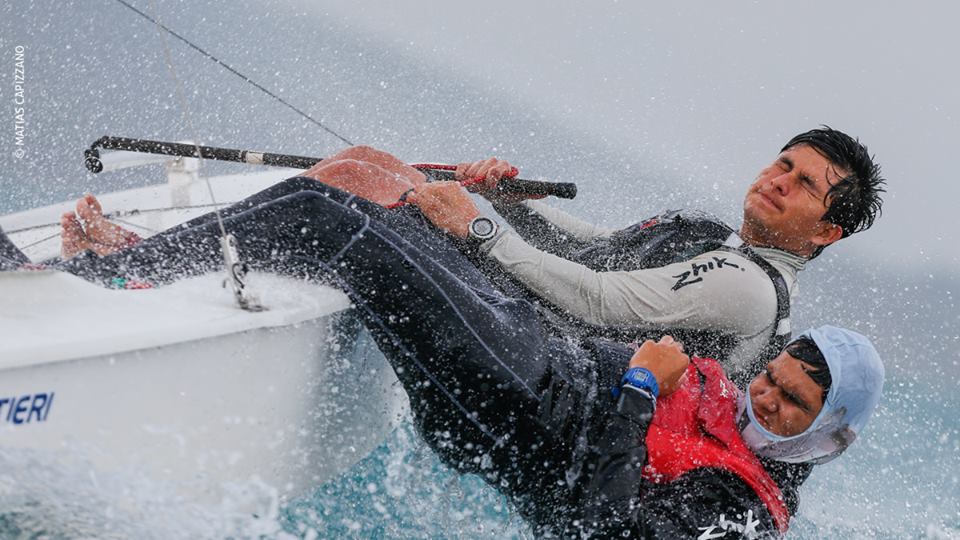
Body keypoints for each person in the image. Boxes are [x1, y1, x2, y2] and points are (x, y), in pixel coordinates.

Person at [5, 182, 881, 537]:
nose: (767, 398)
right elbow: (596, 265)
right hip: (541, 361)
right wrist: (493, 205)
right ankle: (130, 260)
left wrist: (638, 390)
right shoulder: (745, 408)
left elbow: (594, 532)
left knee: (330, 222)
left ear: (828, 436)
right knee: (366, 205)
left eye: (792, 405)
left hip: (522, 410)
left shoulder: (740, 508)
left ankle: (97, 281)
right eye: (775, 378)